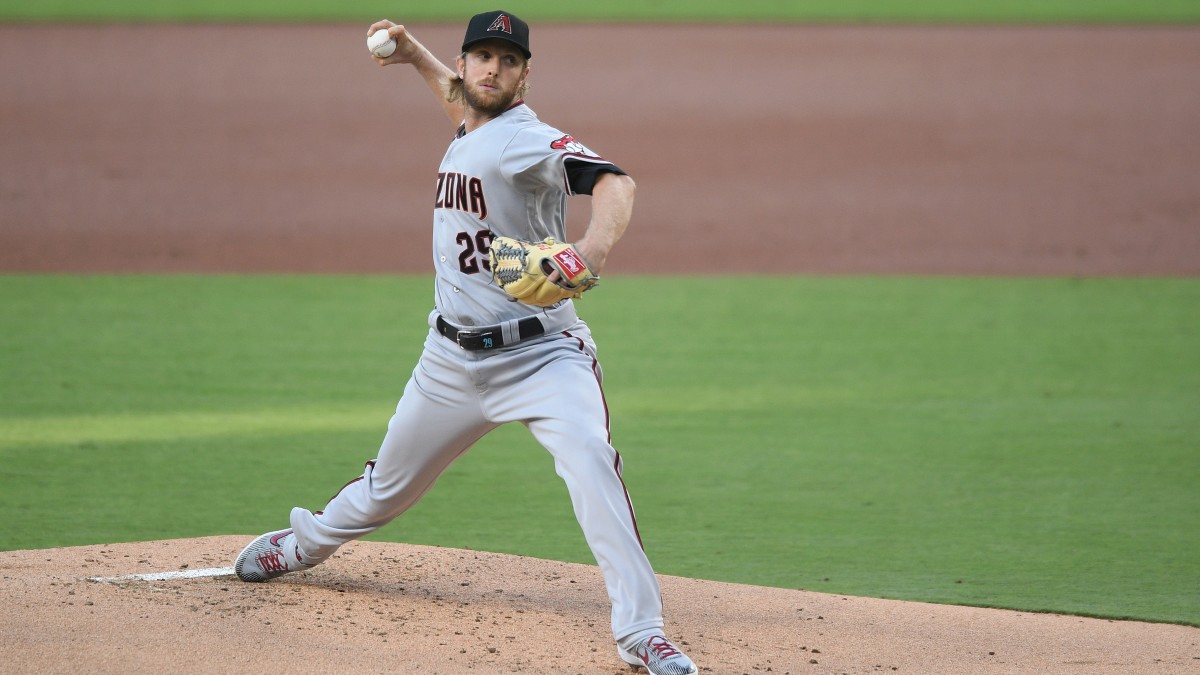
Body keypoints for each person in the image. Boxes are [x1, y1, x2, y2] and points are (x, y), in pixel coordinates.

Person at [233, 11, 697, 675]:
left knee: (591, 460)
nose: (492, 69)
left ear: (525, 75)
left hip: (542, 357)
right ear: (466, 61)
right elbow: (464, 103)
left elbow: (615, 182)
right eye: (482, 56)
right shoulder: (473, 126)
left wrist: (589, 251)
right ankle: (303, 545)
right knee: (385, 490)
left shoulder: (527, 139)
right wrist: (415, 56)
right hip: (449, 361)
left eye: (508, 60)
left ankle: (642, 632)